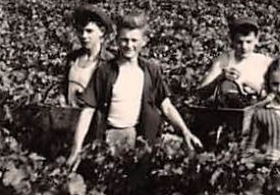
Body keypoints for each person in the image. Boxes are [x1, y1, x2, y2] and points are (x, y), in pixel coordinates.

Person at [65, 14, 202, 169]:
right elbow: (88, 111)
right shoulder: (105, 71)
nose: (129, 45)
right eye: (124, 40)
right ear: (117, 40)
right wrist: (76, 149)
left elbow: (166, 106)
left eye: (134, 40)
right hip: (111, 137)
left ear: (144, 41)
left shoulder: (151, 70)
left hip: (143, 137)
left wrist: (185, 131)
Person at [195, 16, 274, 105]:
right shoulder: (224, 60)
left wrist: (256, 89)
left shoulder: (264, 62)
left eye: (249, 42)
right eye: (239, 42)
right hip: (229, 112)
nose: (244, 47)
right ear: (232, 41)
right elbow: (200, 93)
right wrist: (220, 78)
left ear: (256, 40)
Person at [60, 5, 112, 106]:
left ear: (102, 31)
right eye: (80, 31)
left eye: (89, 31)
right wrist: (62, 97)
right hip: (69, 117)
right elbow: (65, 87)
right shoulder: (73, 58)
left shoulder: (108, 63)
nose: (84, 36)